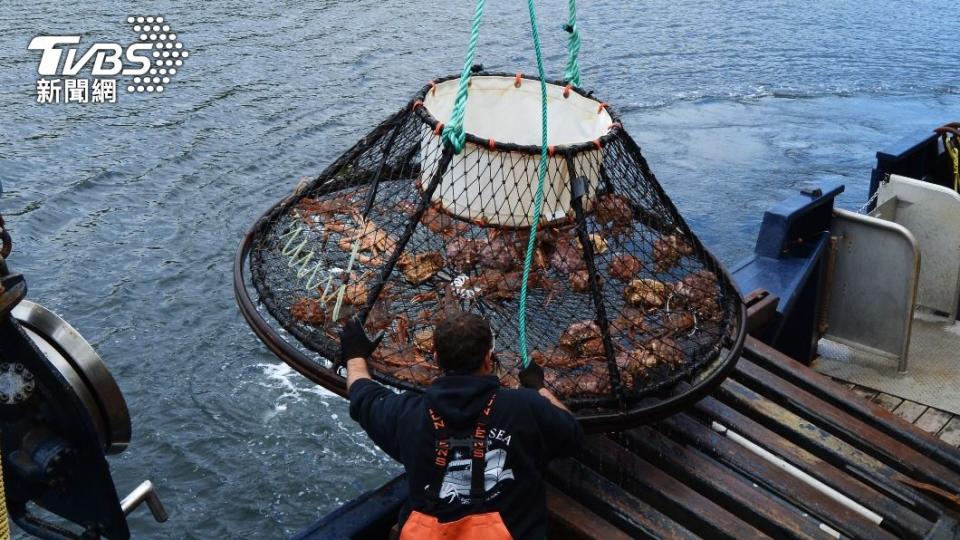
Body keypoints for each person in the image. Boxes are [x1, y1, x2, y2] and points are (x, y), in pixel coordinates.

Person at [341, 312, 583, 540]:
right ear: (488, 359)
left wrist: (354, 354)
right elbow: (572, 432)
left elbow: (363, 394)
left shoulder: (406, 414)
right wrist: (538, 386)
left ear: (436, 360)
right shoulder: (525, 407)